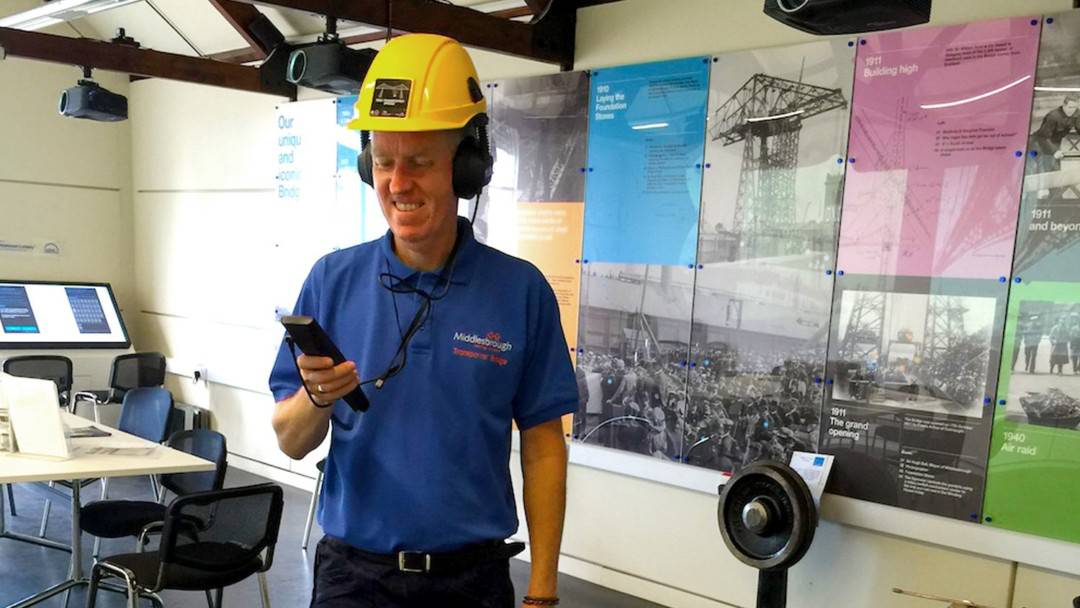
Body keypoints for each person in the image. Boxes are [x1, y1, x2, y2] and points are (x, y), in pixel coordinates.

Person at [268, 34, 577, 608]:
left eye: (419, 163)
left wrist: (543, 589)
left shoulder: (521, 290)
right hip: (353, 580)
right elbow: (289, 441)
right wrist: (317, 398)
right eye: (383, 162)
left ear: (466, 169)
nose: (397, 183)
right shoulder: (331, 281)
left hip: (472, 581)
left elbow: (542, 445)